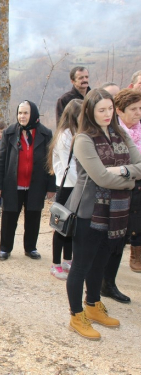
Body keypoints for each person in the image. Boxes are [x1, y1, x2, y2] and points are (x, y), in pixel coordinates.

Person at [65, 88, 141, 340]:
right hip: (89, 211)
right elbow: (100, 177)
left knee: (100, 263)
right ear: (90, 111)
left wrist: (121, 172)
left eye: (110, 109)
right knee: (81, 266)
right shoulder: (84, 138)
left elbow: (139, 165)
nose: (107, 114)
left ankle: (94, 305)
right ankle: (76, 316)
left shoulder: (119, 132)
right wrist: (130, 179)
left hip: (116, 213)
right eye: (101, 110)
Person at [0, 100, 55, 261]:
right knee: (9, 217)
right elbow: (0, 160)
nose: (22, 116)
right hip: (13, 184)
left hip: (36, 184)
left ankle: (30, 248)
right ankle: (5, 248)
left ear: (33, 113)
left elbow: (51, 161)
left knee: (33, 218)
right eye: (20, 113)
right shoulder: (10, 133)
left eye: (25, 113)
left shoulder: (46, 133)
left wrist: (51, 186)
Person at [99, 88, 141, 303]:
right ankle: (100, 284)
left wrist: (129, 170)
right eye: (133, 109)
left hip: (136, 193)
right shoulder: (114, 132)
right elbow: (110, 167)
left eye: (140, 108)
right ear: (120, 111)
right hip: (115, 193)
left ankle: (109, 283)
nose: (138, 113)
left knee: (123, 239)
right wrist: (130, 171)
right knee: (110, 240)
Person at [47, 99, 82, 280]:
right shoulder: (64, 135)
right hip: (67, 185)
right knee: (61, 226)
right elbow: (72, 166)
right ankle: (56, 263)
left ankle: (67, 259)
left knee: (72, 226)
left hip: (76, 185)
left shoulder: (79, 132)